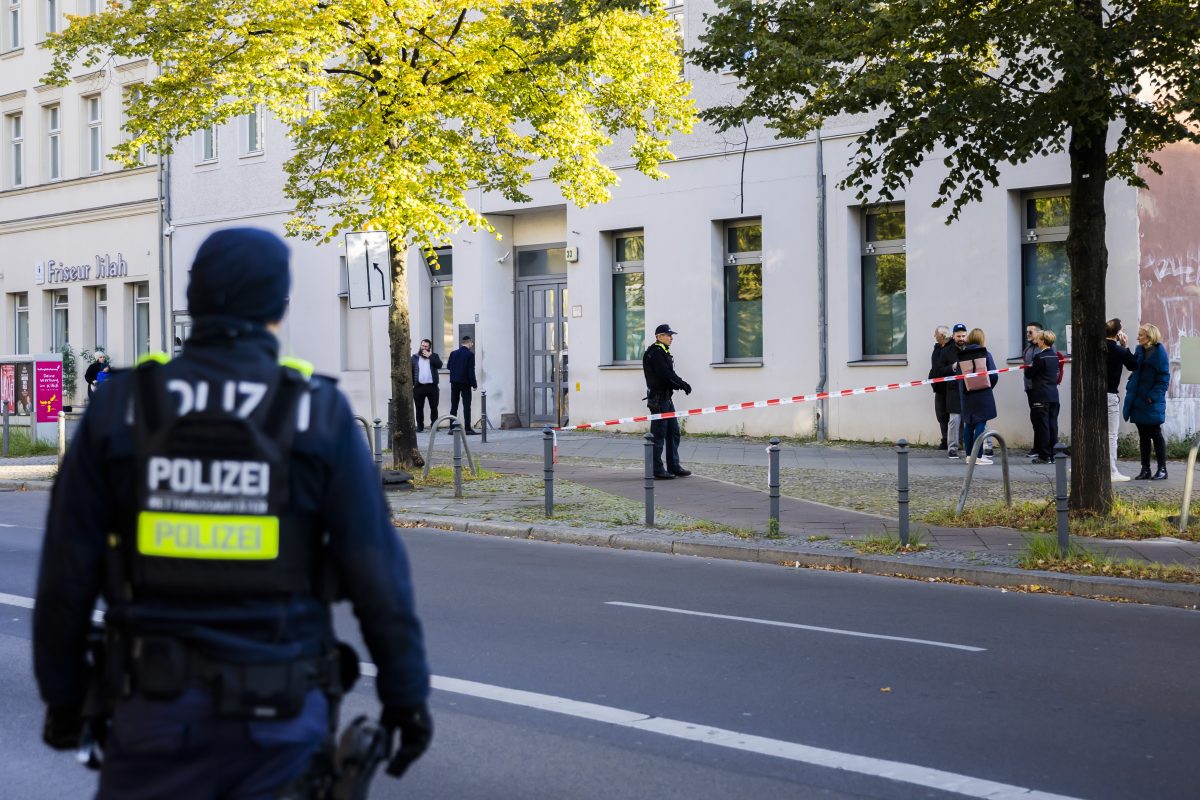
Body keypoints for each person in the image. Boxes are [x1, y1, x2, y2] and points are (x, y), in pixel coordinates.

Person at [33, 228, 432, 799]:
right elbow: (378, 576)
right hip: (280, 722)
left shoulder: (123, 408)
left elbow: (65, 576)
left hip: (151, 715)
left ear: (193, 303)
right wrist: (406, 698)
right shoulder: (314, 413)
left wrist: (65, 698)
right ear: (276, 306)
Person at [643, 323, 692, 479]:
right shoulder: (655, 353)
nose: (671, 338)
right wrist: (682, 384)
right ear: (659, 337)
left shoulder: (663, 351)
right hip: (658, 400)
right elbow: (665, 375)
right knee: (659, 434)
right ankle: (656, 469)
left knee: (673, 432)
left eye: (671, 335)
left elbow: (670, 373)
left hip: (666, 398)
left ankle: (674, 466)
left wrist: (680, 384)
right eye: (668, 335)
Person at [1124, 323, 1171, 480]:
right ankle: (1145, 469)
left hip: (1151, 402)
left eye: (1141, 335)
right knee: (1143, 436)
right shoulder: (1139, 350)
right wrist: (1124, 347)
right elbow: (1132, 365)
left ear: (1149, 337)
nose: (1138, 337)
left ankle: (1162, 469)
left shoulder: (1159, 353)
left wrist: (1153, 396)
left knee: (1156, 435)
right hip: (1138, 400)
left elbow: (1164, 378)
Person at [956, 327, 999, 465]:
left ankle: (969, 455)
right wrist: (987, 386)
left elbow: (958, 377)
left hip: (967, 394)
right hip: (982, 393)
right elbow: (994, 375)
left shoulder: (961, 355)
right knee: (980, 423)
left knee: (968, 424)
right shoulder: (985, 354)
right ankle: (979, 456)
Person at [1106, 318, 1137, 481]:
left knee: (1092, 430)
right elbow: (1133, 365)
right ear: (1118, 333)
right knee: (1111, 435)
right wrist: (1125, 346)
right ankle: (1111, 471)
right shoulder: (1119, 351)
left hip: (1092, 396)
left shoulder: (1097, 348)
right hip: (1109, 395)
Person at [1028, 330, 1062, 464]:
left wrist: (1028, 368)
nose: (1037, 341)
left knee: (1043, 426)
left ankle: (1044, 455)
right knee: (1053, 425)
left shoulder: (1039, 357)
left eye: (1038, 339)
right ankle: (1054, 454)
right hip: (1054, 395)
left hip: (1041, 395)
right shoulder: (1055, 356)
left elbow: (1030, 374)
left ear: (1043, 341)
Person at [938, 324, 969, 459]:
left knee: (970, 419)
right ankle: (952, 448)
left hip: (969, 388)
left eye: (963, 336)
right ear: (953, 336)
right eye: (958, 336)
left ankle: (970, 446)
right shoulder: (946, 351)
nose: (961, 338)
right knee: (954, 420)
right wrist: (952, 367)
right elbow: (939, 371)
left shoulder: (971, 349)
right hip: (954, 390)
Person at [447, 335, 478, 435]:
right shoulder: (470, 355)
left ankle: (452, 428)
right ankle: (468, 429)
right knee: (466, 406)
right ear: (469, 343)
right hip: (465, 383)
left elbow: (448, 366)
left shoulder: (453, 353)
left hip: (454, 382)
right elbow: (471, 371)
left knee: (454, 406)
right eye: (471, 343)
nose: (472, 345)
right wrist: (474, 384)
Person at [411, 338, 443, 432]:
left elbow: (439, 365)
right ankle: (420, 426)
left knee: (434, 407)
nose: (423, 348)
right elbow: (410, 371)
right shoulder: (414, 357)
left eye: (426, 346)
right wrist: (413, 384)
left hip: (432, 387)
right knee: (419, 407)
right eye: (422, 346)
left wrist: (430, 356)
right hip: (419, 387)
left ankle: (434, 425)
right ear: (420, 346)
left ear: (429, 348)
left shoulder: (434, 356)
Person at [1021, 321, 1042, 455]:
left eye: (1030, 332)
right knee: (1034, 417)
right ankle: (1037, 446)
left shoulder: (1043, 348)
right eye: (1026, 332)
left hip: (1040, 388)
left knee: (1041, 418)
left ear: (1039, 333)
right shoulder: (1027, 349)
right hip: (1029, 388)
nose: (1027, 334)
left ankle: (1043, 448)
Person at [929, 326, 951, 450]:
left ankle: (956, 440)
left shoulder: (952, 348)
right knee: (941, 415)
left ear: (942, 336)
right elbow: (935, 366)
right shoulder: (937, 348)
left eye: (936, 333)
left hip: (950, 387)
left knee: (954, 415)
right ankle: (945, 439)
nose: (934, 336)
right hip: (939, 387)